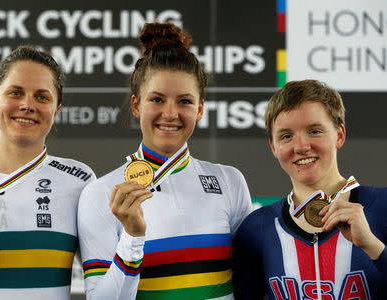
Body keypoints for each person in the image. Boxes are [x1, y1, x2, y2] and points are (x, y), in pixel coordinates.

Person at [77, 22, 252, 300]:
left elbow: (250, 283)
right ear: (136, 105)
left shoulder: (229, 182)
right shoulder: (100, 193)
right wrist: (133, 237)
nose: (170, 113)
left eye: (184, 101)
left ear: (200, 109)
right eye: (157, 99)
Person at [0, 45, 96, 300]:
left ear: (56, 111)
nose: (27, 105)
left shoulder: (79, 181)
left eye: (42, 97)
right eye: (15, 92)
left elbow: (103, 287)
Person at [233, 79, 387, 299]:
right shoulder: (257, 229)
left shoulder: (382, 206)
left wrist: (373, 246)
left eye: (314, 131)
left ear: (339, 135)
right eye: (286, 136)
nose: (301, 146)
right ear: (273, 147)